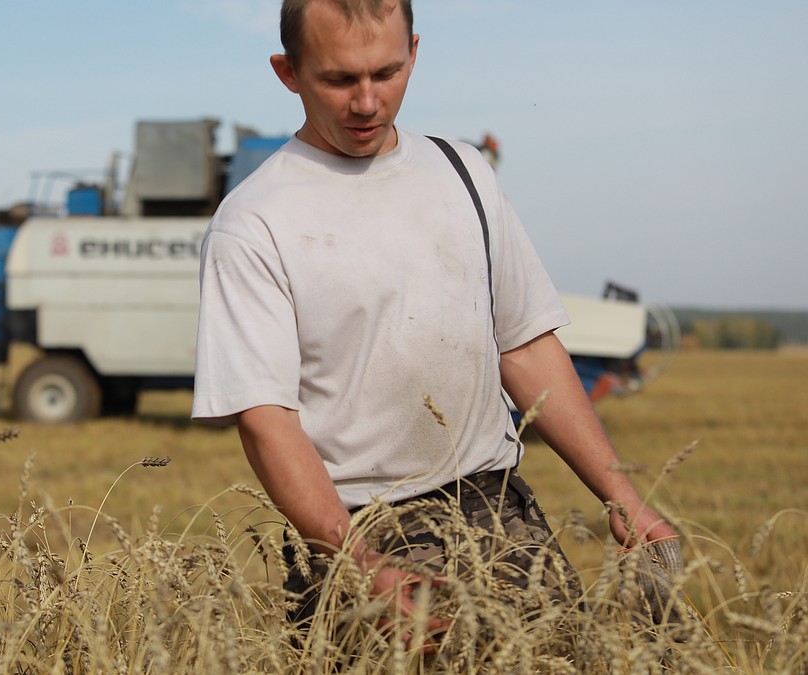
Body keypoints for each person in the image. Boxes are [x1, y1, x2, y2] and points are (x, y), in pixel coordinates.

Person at [190, 0, 677, 642]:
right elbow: (266, 422)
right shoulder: (253, 222)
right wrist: (360, 566)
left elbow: (526, 348)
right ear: (288, 72)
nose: (367, 102)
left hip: (502, 510)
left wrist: (623, 496)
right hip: (360, 529)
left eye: (387, 73)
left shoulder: (464, 172)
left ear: (414, 53)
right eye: (340, 80)